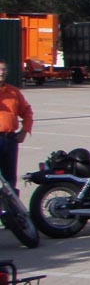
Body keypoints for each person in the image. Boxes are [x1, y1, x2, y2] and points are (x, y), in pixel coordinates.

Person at [0, 61, 33, 193]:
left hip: (9, 140)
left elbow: (27, 112)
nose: (1, 72)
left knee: (9, 180)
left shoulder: (13, 92)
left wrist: (24, 131)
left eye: (4, 70)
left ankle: (9, 204)